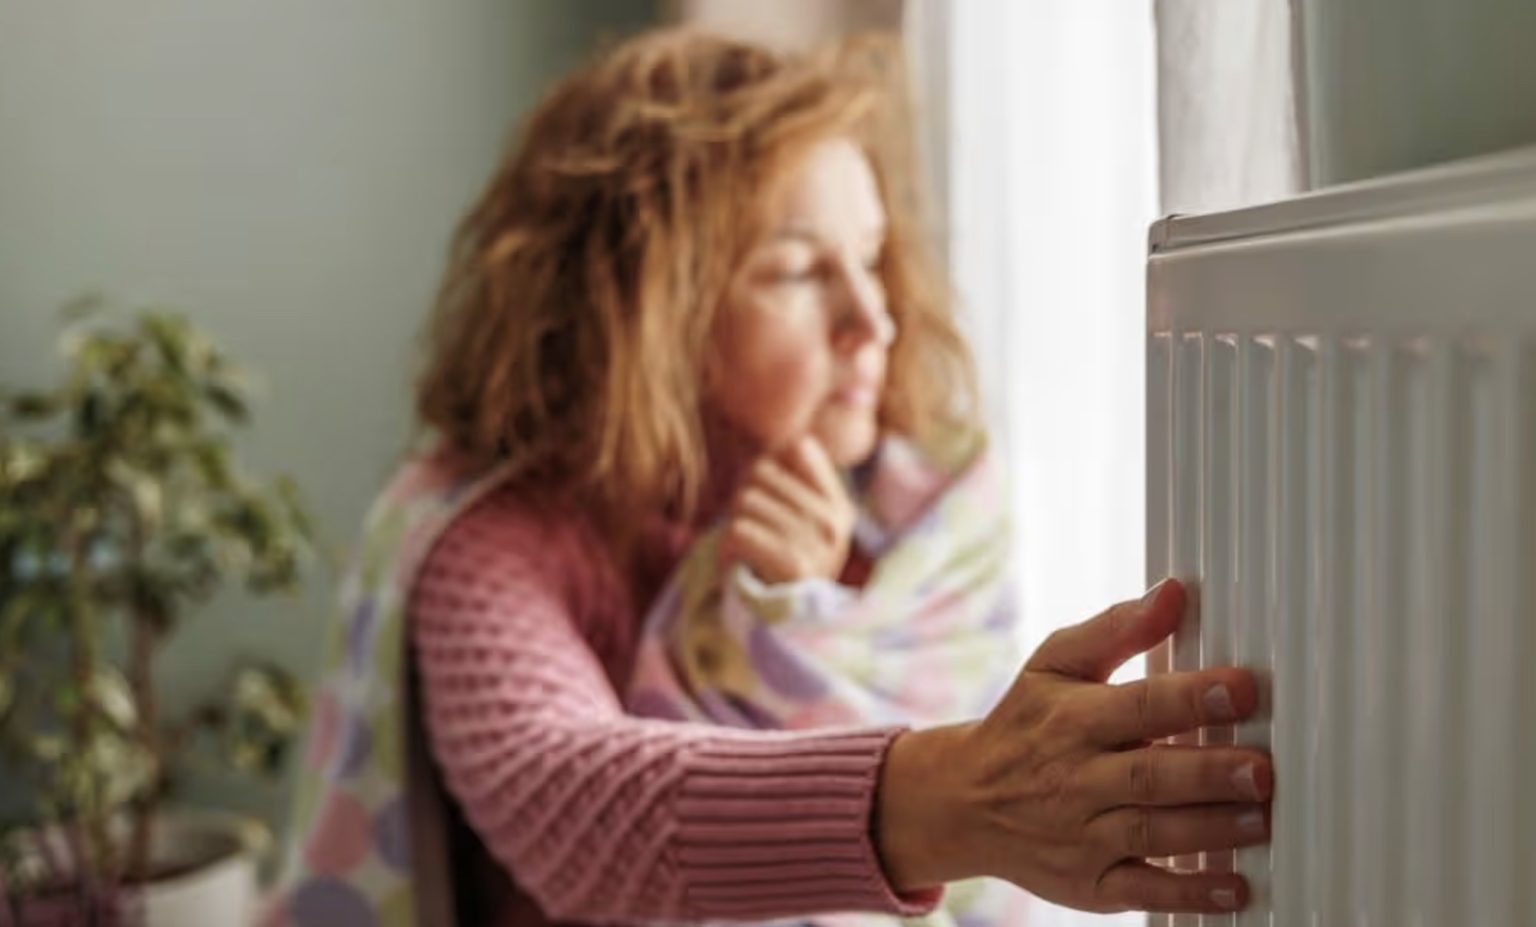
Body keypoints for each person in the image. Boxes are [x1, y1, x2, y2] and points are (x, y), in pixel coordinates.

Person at [262, 27, 1272, 927]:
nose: (872, 319)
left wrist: (806, 611)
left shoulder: (915, 504)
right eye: (797, 271)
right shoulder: (493, 539)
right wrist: (970, 793)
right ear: (642, 309)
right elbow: (565, 801)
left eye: (871, 259)